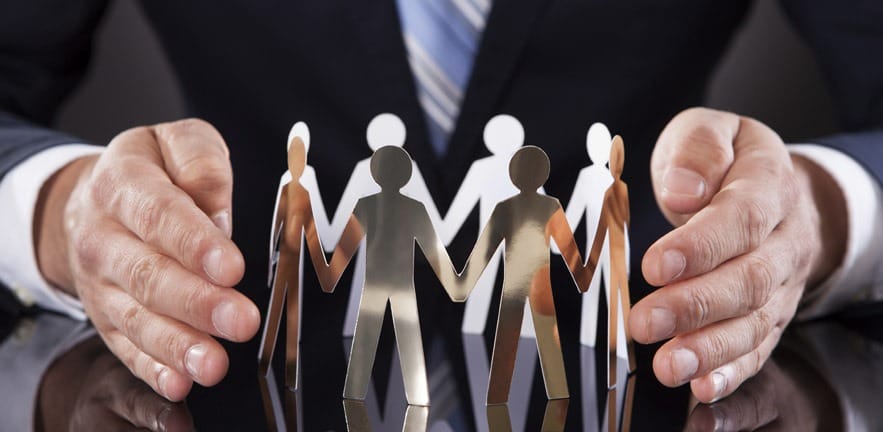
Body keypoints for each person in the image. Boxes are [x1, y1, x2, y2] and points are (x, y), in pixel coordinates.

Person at [0, 1, 881, 408]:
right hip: (243, 371)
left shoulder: (526, 205)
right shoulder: (351, 201)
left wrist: (821, 214)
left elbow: (467, 233)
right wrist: (59, 212)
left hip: (621, 365)